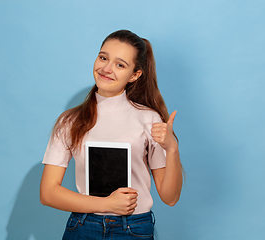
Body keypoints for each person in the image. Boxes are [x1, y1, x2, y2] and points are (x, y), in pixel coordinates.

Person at [40, 29, 183, 240]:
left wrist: (172, 149)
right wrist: (107, 204)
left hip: (133, 228)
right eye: (103, 57)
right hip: (83, 226)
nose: (106, 69)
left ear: (135, 75)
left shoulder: (148, 119)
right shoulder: (69, 121)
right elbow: (48, 193)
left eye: (120, 64)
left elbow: (170, 197)